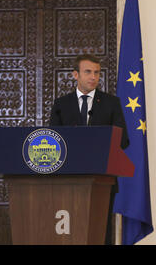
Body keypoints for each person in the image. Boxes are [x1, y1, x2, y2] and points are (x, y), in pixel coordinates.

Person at [50, 54, 129, 245]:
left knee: (101, 232)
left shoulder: (111, 103)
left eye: (96, 72)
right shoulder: (61, 104)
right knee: (72, 232)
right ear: (75, 75)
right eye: (88, 72)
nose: (93, 77)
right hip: (68, 181)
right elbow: (54, 142)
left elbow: (123, 140)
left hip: (102, 179)